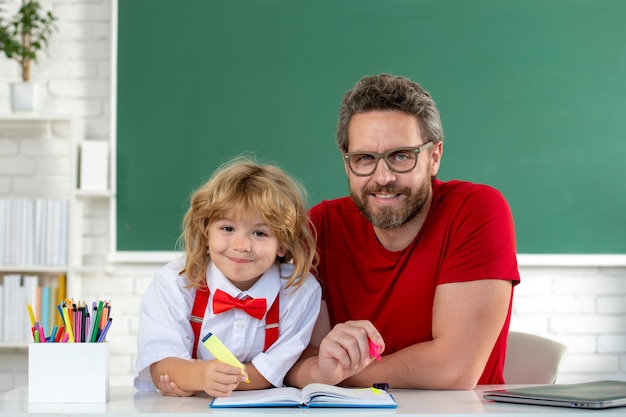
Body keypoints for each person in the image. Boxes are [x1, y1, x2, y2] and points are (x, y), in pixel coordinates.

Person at [285, 73, 521, 390]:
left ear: (434, 157)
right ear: (346, 163)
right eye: (365, 158)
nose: (383, 177)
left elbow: (453, 370)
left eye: (401, 156)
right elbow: (288, 359)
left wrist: (331, 375)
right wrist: (316, 369)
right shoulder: (320, 226)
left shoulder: (476, 210)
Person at [134, 157, 322, 397]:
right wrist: (201, 376)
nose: (242, 245)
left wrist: (200, 381)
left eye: (260, 232)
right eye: (228, 228)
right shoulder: (174, 282)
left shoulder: (300, 292)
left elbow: (273, 370)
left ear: (282, 244)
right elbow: (161, 363)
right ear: (205, 232)